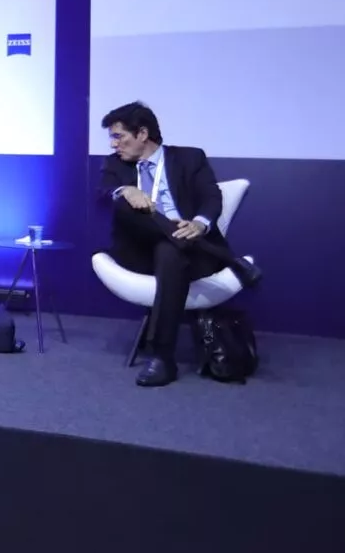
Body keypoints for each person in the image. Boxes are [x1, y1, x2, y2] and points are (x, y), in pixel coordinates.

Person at [97, 101, 261, 387]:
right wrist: (126, 190)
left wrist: (199, 223)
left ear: (142, 134)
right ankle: (229, 260)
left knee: (170, 251)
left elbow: (211, 196)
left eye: (119, 136)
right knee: (127, 207)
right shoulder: (115, 164)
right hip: (140, 252)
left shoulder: (189, 158)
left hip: (189, 249)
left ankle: (163, 357)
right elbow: (101, 195)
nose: (114, 145)